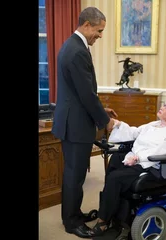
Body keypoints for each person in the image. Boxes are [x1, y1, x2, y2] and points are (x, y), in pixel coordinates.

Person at [51, 7, 117, 239]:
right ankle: (71, 223)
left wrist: (102, 109)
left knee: (75, 174)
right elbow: (86, 95)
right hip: (75, 125)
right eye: (99, 30)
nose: (100, 35)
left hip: (74, 119)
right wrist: (105, 120)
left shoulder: (75, 46)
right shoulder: (77, 50)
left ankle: (75, 213)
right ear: (87, 24)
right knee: (74, 175)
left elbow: (82, 92)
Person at [91, 100, 166, 236]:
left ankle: (103, 220)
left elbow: (162, 151)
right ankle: (110, 206)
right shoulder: (154, 124)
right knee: (115, 160)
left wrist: (138, 157)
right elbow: (135, 132)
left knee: (115, 178)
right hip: (135, 156)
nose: (162, 107)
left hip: (148, 164)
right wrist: (118, 124)